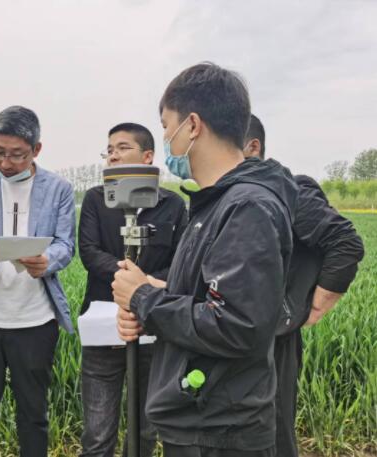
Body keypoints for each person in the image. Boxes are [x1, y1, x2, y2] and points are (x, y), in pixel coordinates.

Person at [112, 62, 298, 457]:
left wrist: (144, 298)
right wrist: (160, 290)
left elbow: (236, 325)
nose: (167, 139)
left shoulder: (246, 207)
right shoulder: (214, 204)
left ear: (193, 125)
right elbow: (214, 296)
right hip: (200, 417)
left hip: (219, 429)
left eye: (167, 127)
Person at [0, 105, 76, 457]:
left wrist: (47, 261)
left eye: (17, 154)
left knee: (33, 417)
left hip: (35, 321)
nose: (5, 163)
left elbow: (66, 244)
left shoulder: (59, 189)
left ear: (36, 149)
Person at [244, 114, 365, 457]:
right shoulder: (236, 197)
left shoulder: (288, 192)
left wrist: (312, 308)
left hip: (275, 338)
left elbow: (345, 244)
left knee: (273, 430)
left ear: (253, 147)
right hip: (239, 331)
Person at [78, 122, 187, 457]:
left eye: (123, 147)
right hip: (103, 326)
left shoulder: (173, 205)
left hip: (152, 325)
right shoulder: (96, 199)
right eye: (109, 149)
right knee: (97, 433)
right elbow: (89, 252)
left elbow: (181, 263)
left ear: (148, 156)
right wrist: (129, 279)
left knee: (145, 430)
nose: (113, 155)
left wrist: (143, 289)